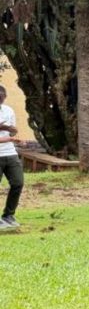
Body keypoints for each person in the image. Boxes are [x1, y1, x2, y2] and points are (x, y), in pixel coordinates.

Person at [0, 84, 23, 230]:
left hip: (10, 153)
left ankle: (8, 215)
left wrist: (12, 132)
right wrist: (9, 137)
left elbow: (13, 132)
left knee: (17, 183)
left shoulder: (8, 110)